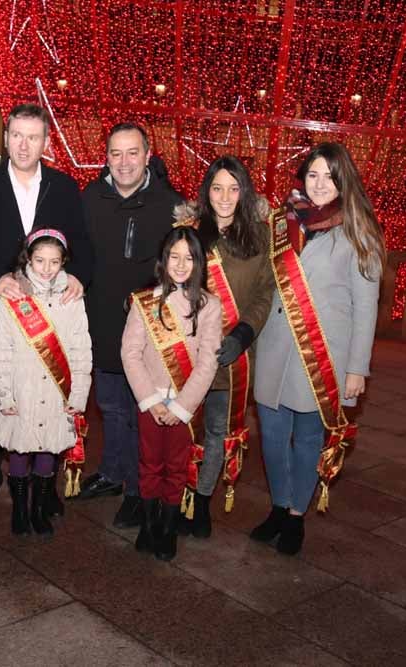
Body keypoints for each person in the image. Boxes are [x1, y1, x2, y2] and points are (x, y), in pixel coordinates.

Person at [251, 142, 384, 556]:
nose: (320, 184)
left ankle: (294, 516)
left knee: (308, 437)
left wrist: (357, 368)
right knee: (272, 437)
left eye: (329, 176)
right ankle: (277, 506)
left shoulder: (359, 232)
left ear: (344, 181)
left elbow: (366, 308)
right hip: (275, 346)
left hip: (322, 355)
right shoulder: (282, 222)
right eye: (312, 175)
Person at [0, 104, 93, 516]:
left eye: (33, 137)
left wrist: (79, 277)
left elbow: (83, 246)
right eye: (17, 135)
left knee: (50, 398)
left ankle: (45, 486)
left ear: (46, 142)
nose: (24, 145)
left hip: (52, 318)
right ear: (5, 138)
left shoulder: (65, 187)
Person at [78, 123, 183, 532]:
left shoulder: (169, 205)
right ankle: (112, 471)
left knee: (144, 410)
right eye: (116, 154)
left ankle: (140, 489)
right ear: (106, 157)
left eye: (132, 153)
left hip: (149, 330)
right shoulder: (89, 198)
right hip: (102, 321)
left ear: (147, 154)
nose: (124, 162)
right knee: (110, 407)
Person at [171, 156, 274, 538]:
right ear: (206, 192)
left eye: (233, 188)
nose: (225, 197)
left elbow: (266, 292)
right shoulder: (189, 233)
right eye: (217, 188)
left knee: (216, 430)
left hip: (233, 354)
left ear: (244, 191)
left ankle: (200, 503)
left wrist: (244, 334)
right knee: (184, 427)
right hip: (191, 350)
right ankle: (176, 495)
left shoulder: (261, 237)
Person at [121, 226, 221, 561]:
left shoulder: (209, 305)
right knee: (149, 463)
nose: (181, 264)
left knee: (176, 467)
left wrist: (181, 405)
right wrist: (149, 400)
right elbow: (130, 353)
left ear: (199, 263)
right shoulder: (145, 301)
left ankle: (168, 527)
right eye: (174, 256)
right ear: (163, 260)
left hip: (184, 404)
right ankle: (149, 525)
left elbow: (208, 362)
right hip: (149, 400)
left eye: (189, 257)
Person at [0, 229, 92, 537]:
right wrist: (3, 394)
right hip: (22, 386)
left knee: (49, 447)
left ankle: (39, 507)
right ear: (28, 259)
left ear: (64, 262)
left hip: (57, 388)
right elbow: (2, 348)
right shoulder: (14, 296)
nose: (46, 269)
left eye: (55, 262)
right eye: (39, 261)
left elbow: (80, 348)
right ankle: (20, 509)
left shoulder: (72, 296)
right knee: (20, 448)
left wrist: (79, 392)